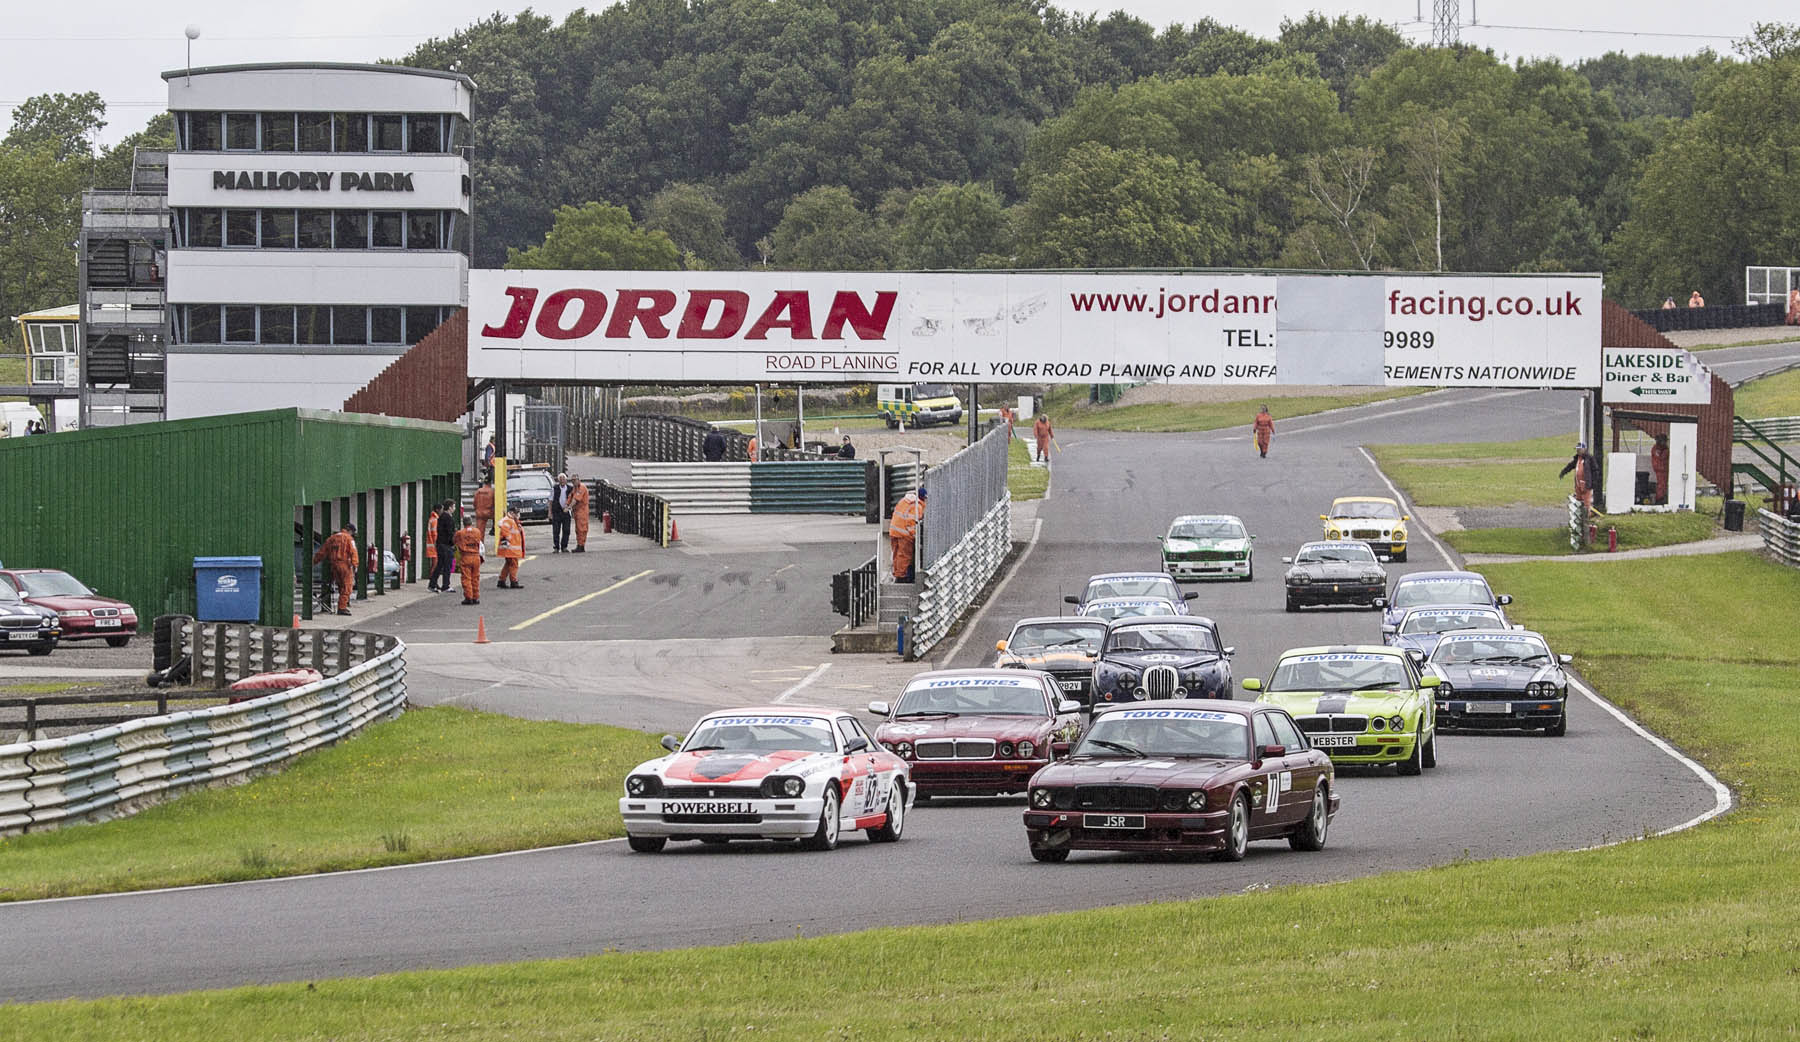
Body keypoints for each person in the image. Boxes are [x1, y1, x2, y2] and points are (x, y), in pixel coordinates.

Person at [313, 521, 358, 616]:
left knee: (340, 585)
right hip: (345, 565)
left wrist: (313, 562)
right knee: (347, 586)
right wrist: (355, 565)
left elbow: (322, 552)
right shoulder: (349, 539)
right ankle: (342, 608)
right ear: (350, 531)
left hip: (334, 565)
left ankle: (342, 605)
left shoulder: (332, 538)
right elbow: (353, 552)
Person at [890, 487, 925, 582]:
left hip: (894, 531)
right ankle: (901, 577)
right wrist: (915, 536)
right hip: (904, 534)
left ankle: (897, 574)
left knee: (896, 554)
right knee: (904, 556)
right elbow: (911, 523)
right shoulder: (917, 506)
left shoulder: (903, 501)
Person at [1558, 442, 1599, 517]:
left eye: (1579, 449)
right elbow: (1570, 466)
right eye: (1577, 449)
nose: (1578, 451)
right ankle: (1580, 517)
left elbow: (1595, 470)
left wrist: (1593, 483)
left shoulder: (1589, 458)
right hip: (1578, 484)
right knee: (1578, 501)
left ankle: (1587, 517)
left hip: (1586, 484)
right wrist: (1563, 472)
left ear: (1584, 449)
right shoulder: (1577, 458)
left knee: (1586, 502)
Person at [454, 514, 485, 604]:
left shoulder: (460, 533)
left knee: (466, 578)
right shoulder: (477, 531)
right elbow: (479, 542)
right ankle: (475, 597)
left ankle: (469, 597)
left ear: (463, 523)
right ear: (471, 522)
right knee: (475, 578)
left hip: (466, 556)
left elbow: (454, 541)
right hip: (476, 556)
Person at [430, 500, 457, 592]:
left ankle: (432, 584)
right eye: (453, 506)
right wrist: (453, 543)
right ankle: (446, 585)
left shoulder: (442, 517)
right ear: (449, 507)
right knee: (447, 566)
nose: (454, 509)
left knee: (440, 565)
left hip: (441, 544)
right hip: (446, 545)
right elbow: (450, 533)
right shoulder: (448, 518)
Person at [497, 506, 526, 588]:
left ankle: (501, 580)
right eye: (516, 513)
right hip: (511, 549)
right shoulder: (509, 521)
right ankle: (513, 581)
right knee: (514, 565)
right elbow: (505, 530)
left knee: (508, 564)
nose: (518, 515)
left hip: (511, 548)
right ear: (511, 513)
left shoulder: (513, 521)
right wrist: (509, 539)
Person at [550, 472, 572, 552]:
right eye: (561, 479)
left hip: (566, 511)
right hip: (556, 511)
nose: (562, 481)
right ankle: (556, 547)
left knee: (566, 530)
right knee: (556, 530)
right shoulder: (554, 488)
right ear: (558, 480)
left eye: (564, 479)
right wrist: (550, 512)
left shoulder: (570, 489)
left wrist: (569, 508)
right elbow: (550, 501)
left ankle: (564, 547)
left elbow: (573, 500)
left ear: (566, 480)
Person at [570, 475, 590, 552]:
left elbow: (576, 499)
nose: (573, 482)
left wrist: (569, 507)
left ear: (578, 480)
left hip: (582, 511)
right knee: (578, 529)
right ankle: (579, 544)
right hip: (577, 511)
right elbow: (570, 497)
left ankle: (581, 545)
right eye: (572, 480)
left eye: (575, 480)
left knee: (582, 529)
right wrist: (567, 505)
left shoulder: (581, 488)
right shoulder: (575, 488)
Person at [1651, 433, 1670, 504]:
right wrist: (1666, 452)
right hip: (1660, 468)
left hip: (1662, 468)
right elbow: (1661, 457)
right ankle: (1659, 498)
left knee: (1663, 483)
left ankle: (1661, 497)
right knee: (1661, 484)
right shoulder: (1657, 448)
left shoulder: (1660, 448)